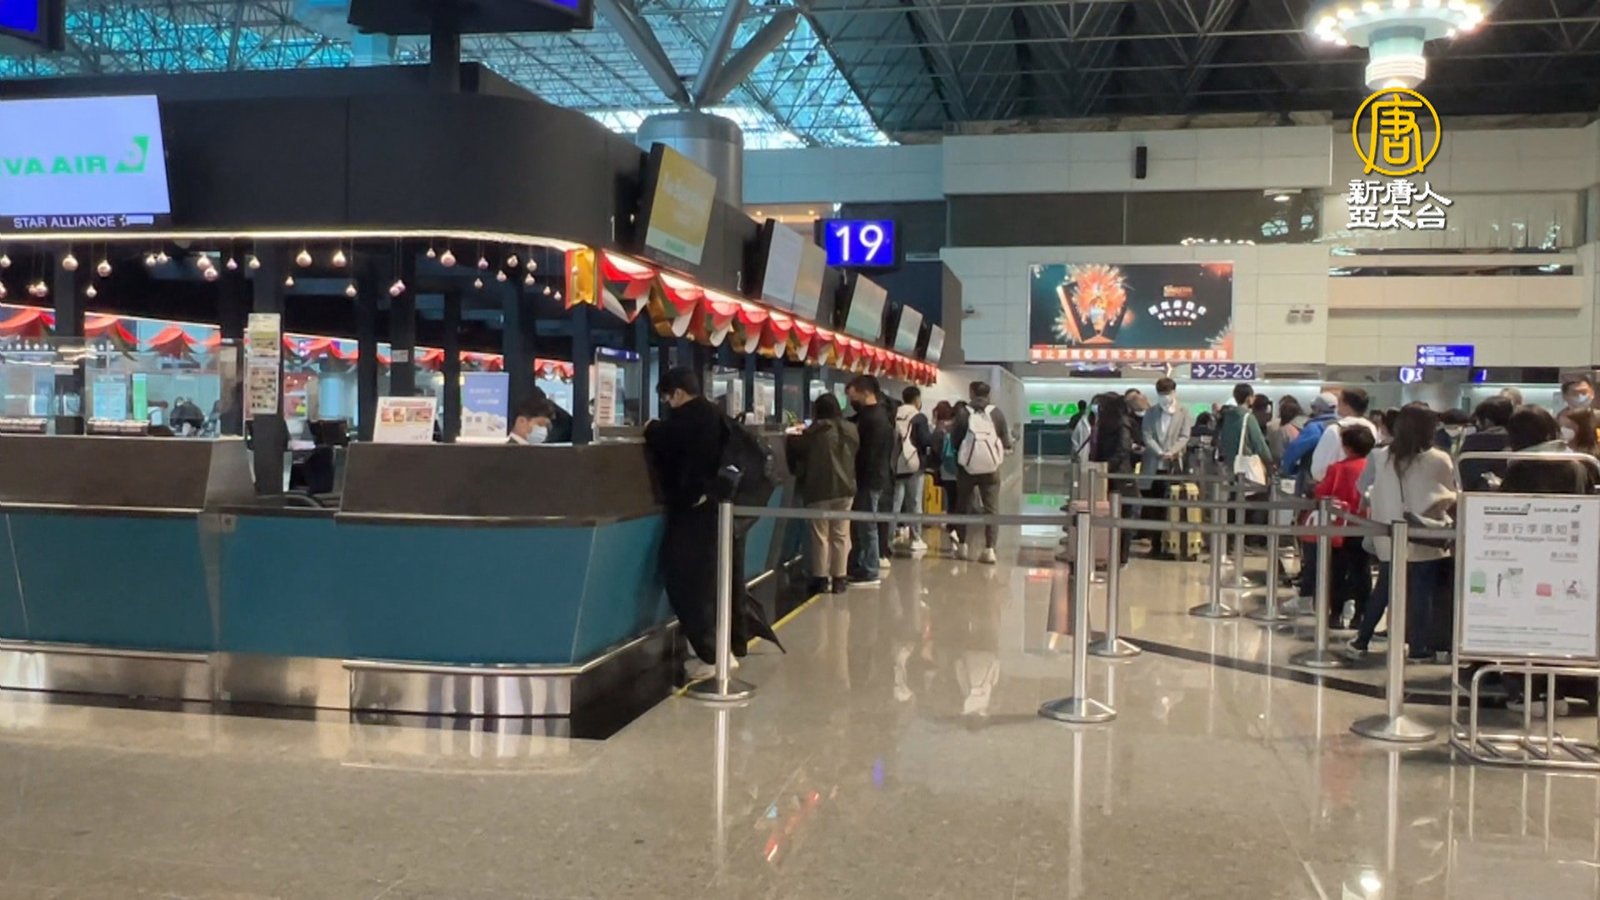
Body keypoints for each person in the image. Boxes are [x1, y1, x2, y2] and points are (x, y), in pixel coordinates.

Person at [643, 367, 743, 681]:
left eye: (667, 398)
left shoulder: (686, 420)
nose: (668, 405)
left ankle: (711, 655)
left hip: (691, 513)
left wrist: (651, 428)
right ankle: (719, 650)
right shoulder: (716, 415)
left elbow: (665, 443)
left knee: (686, 583)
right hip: (714, 509)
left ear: (678, 393)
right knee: (709, 583)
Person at [1349, 406, 1457, 659]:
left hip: (1389, 532)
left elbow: (1363, 487)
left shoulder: (1380, 456)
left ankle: (1362, 639)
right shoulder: (1439, 459)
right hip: (1425, 533)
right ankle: (1418, 647)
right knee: (1422, 593)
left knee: (1384, 589)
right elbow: (1450, 493)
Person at [786, 393, 859, 596]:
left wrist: (792, 436)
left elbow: (797, 449)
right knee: (841, 534)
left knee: (820, 535)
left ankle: (820, 578)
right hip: (846, 489)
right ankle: (840, 579)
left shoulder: (815, 432)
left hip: (819, 487)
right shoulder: (851, 429)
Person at [1315, 425, 1375, 631]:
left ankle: (1336, 614)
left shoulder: (1337, 468)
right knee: (1362, 570)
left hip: (1340, 527)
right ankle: (1361, 614)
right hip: (1366, 525)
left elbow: (1322, 492)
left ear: (1346, 446)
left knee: (1338, 571)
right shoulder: (1372, 468)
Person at [950, 381, 1012, 564]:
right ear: (988, 394)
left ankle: (963, 546)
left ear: (971, 393)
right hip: (991, 469)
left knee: (963, 506)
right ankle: (989, 549)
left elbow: (955, 440)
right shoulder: (996, 413)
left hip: (967, 469)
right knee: (991, 508)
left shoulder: (963, 413)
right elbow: (1005, 441)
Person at [845, 375, 894, 586]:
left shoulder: (872, 420)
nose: (851, 401)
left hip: (868, 478)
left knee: (866, 525)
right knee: (863, 524)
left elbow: (867, 453)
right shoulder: (879, 415)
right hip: (876, 476)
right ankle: (861, 564)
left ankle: (870, 569)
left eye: (852, 396)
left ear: (865, 392)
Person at [1092, 392, 1138, 563]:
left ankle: (1121, 556)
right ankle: (1109, 553)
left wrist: (1105, 467)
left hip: (1120, 476)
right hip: (1109, 475)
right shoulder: (1104, 424)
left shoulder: (1121, 424)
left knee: (1122, 517)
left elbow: (1122, 450)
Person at [890, 386, 936, 553]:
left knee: (895, 502)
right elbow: (925, 440)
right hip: (914, 464)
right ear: (917, 399)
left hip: (896, 463)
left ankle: (889, 537)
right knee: (914, 502)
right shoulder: (919, 417)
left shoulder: (895, 413)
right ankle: (915, 538)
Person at [1310, 388, 1377, 485]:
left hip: (1336, 485)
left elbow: (1318, 469)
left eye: (1340, 402)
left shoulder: (1334, 429)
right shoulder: (1372, 428)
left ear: (1347, 406)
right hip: (1363, 484)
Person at [1216, 382, 1273, 478]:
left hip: (1229, 466)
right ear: (1248, 398)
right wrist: (1269, 461)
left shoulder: (1227, 417)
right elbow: (1259, 443)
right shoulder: (1248, 418)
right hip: (1245, 468)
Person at [1458, 396, 1514, 492]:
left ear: (1487, 421)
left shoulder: (1473, 441)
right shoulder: (1518, 439)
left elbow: (1466, 477)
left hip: (1477, 495)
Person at [1282, 392, 1338, 487]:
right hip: (1337, 479)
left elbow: (1294, 450)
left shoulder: (1314, 428)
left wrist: (1288, 469)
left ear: (1317, 409)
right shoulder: (1343, 426)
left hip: (1312, 479)